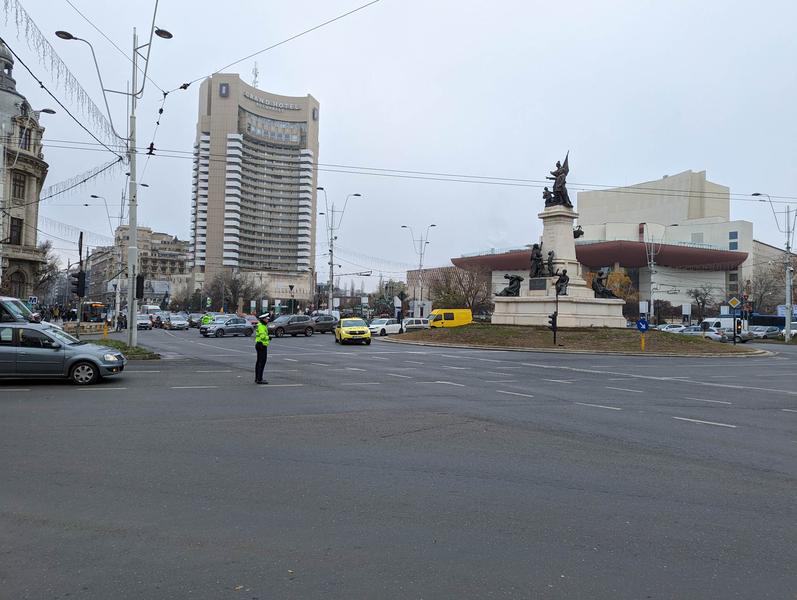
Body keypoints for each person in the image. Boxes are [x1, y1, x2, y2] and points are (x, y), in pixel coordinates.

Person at [254, 313, 270, 384]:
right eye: (267, 319)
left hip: (260, 345)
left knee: (259, 362)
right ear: (263, 319)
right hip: (261, 345)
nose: (268, 320)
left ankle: (257, 378)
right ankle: (259, 379)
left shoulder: (262, 325)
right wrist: (268, 337)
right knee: (261, 362)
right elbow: (263, 336)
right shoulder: (261, 326)